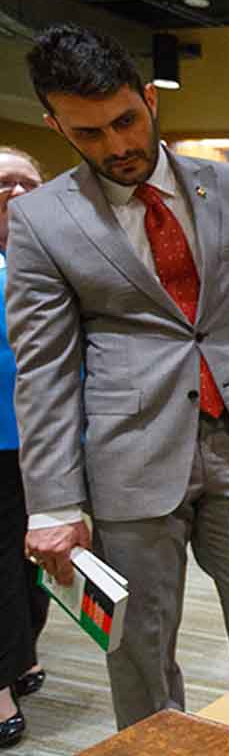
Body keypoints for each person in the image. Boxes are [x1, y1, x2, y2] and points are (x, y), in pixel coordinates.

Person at [11, 24, 229, 728]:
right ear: (57, 126)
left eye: (126, 120)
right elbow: (45, 370)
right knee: (138, 646)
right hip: (129, 456)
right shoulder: (41, 218)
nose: (117, 146)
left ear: (149, 100)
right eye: (88, 134)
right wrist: (54, 505)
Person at [0, 147, 47, 748]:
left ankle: (23, 652)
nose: (15, 192)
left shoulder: (47, 253)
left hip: (45, 438)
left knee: (33, 557)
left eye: (26, 182)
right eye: (1, 183)